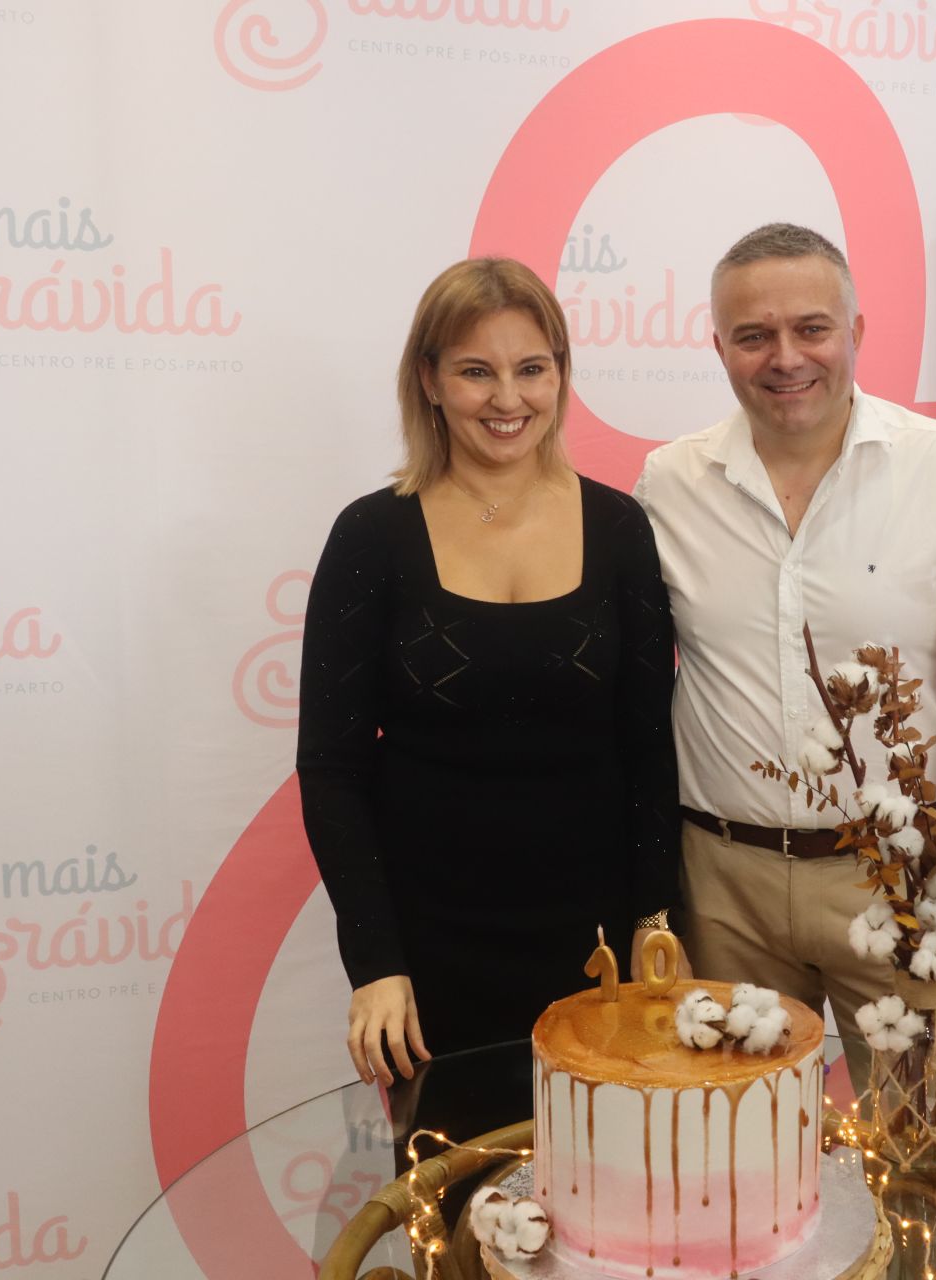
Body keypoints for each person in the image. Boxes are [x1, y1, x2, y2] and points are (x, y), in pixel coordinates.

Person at [633, 223, 936, 1075]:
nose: (786, 357)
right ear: (719, 347)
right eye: (754, 335)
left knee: (924, 1140)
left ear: (855, 331)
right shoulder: (669, 484)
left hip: (907, 883)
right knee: (734, 1146)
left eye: (811, 328)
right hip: (722, 891)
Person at [297, 258, 679, 1118]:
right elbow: (332, 770)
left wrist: (655, 920)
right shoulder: (369, 537)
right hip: (431, 951)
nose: (508, 398)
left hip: (598, 947)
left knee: (610, 1184)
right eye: (477, 370)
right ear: (430, 380)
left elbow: (650, 744)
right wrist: (375, 963)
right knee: (456, 1190)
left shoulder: (620, 526)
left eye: (531, 368)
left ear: (560, 376)